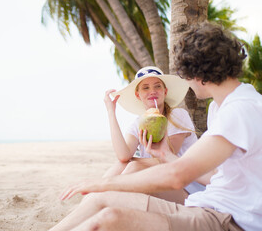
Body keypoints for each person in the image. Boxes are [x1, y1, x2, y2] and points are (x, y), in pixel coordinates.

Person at [49, 21, 262, 231]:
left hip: (227, 220)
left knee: (106, 218)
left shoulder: (239, 110)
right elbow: (215, 175)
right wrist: (165, 154)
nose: (186, 81)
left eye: (185, 75)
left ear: (197, 72)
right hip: (209, 206)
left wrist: (101, 183)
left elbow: (176, 177)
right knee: (102, 203)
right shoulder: (222, 107)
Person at [102, 66, 205, 203]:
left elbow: (165, 158)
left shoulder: (177, 115)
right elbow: (123, 155)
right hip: (160, 183)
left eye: (157, 86)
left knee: (133, 166)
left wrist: (132, 162)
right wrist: (111, 112)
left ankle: (104, 203)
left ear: (165, 91)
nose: (152, 91)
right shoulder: (138, 123)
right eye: (145, 88)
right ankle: (94, 204)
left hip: (187, 191)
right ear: (138, 95)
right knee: (120, 166)